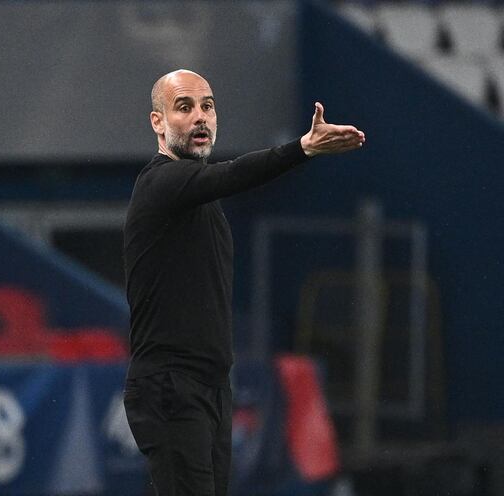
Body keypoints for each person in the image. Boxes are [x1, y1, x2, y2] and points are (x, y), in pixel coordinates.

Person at [122, 69, 365, 496]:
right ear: (157, 122)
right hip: (170, 386)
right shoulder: (160, 183)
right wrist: (303, 148)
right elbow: (232, 174)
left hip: (211, 387)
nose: (200, 117)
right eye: (184, 107)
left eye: (208, 106)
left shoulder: (201, 199)